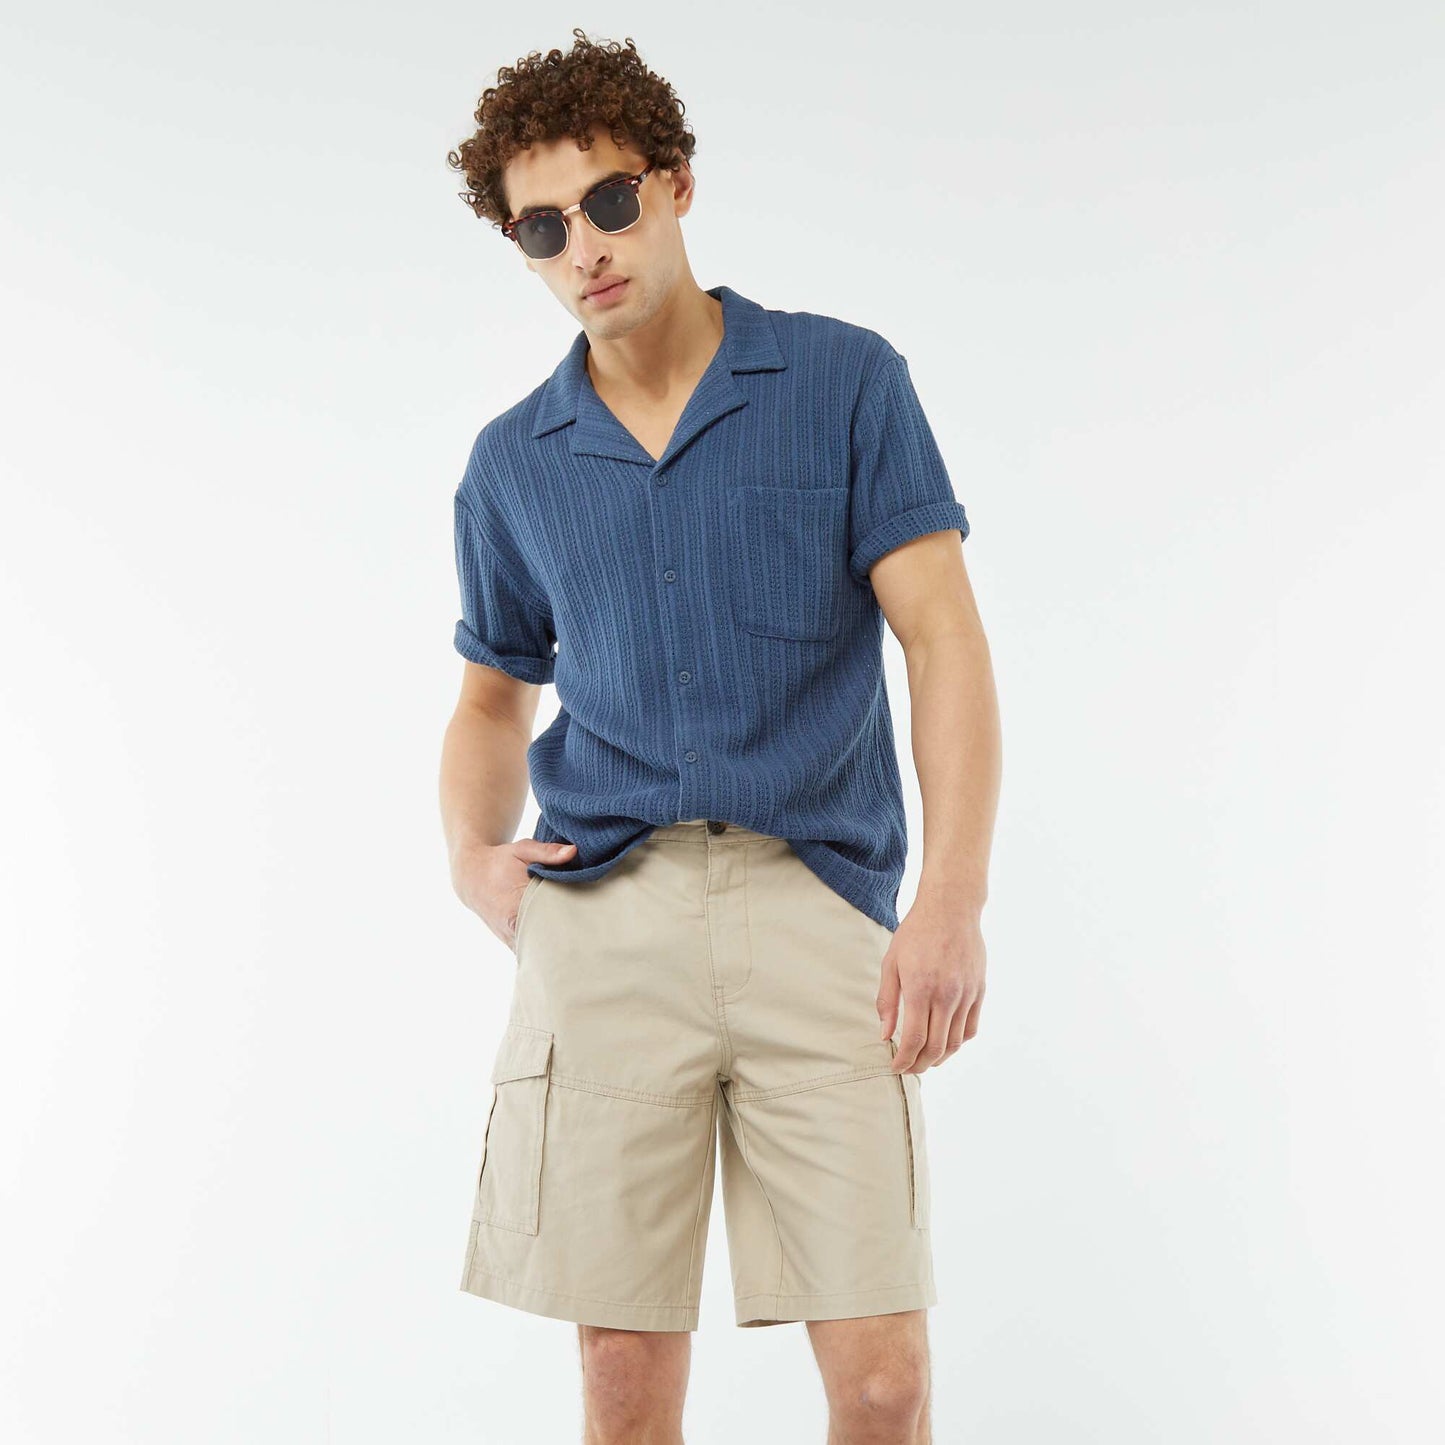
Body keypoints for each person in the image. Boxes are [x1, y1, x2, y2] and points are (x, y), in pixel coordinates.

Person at [439, 29, 1001, 1444]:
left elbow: (942, 637)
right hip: (605, 922)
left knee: (883, 1382)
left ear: (676, 184)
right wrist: (469, 853)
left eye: (609, 200)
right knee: (624, 1389)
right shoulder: (513, 462)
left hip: (818, 906)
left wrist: (950, 899)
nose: (586, 248)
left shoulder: (844, 382)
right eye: (543, 228)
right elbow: (493, 691)